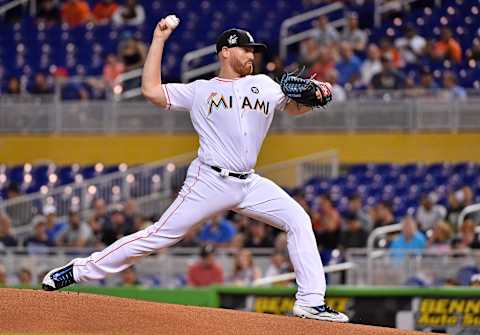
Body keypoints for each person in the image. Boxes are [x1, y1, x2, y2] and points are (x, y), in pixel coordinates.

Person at [42, 19, 348, 323]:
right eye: (245, 49)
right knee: (158, 236)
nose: (251, 55)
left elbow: (296, 108)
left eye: (254, 50)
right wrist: (158, 39)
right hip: (209, 180)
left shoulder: (266, 86)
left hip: (249, 182)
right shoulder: (200, 90)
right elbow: (151, 90)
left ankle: (310, 302)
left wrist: (320, 94)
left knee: (298, 220)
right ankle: (78, 270)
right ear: (225, 53)